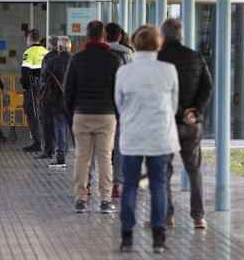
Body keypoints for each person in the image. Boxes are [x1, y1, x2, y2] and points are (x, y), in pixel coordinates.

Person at [115, 25, 180, 254]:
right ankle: (159, 238)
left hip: (132, 135)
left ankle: (127, 237)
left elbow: (119, 104)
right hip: (159, 135)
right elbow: (173, 106)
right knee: (158, 185)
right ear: (158, 44)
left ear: (133, 43)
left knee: (130, 184)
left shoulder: (124, 72)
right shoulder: (169, 70)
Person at [158, 19, 213, 229]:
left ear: (163, 36)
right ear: (181, 35)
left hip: (166, 123)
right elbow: (208, 87)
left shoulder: (159, 59)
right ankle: (199, 217)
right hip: (191, 125)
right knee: (194, 169)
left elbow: (163, 93)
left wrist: (180, 112)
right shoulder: (195, 57)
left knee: (163, 170)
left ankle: (167, 215)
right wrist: (195, 111)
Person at [65, 21, 120, 214]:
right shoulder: (113, 60)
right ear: (103, 36)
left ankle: (81, 199)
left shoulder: (77, 59)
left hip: (82, 113)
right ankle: (105, 200)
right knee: (105, 158)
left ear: (87, 36)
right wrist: (116, 112)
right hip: (106, 114)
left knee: (82, 157)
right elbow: (118, 90)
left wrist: (72, 111)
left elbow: (68, 89)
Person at [105, 23, 134, 198]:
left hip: (104, 104)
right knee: (119, 144)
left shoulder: (100, 53)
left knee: (101, 147)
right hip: (123, 105)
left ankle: (95, 183)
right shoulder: (128, 54)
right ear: (120, 36)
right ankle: (118, 183)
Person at [40, 36, 73, 167]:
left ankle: (61, 156)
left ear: (59, 48)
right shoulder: (75, 60)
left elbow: (44, 80)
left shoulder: (51, 61)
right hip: (73, 100)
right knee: (74, 128)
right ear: (70, 47)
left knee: (59, 126)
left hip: (57, 99)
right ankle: (81, 154)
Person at [21, 29, 48, 152]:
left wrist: (25, 86)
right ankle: (46, 141)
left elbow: (25, 72)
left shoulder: (29, 52)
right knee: (43, 114)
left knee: (32, 113)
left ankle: (37, 142)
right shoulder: (45, 51)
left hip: (32, 88)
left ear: (30, 38)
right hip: (45, 88)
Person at [36, 35, 60, 159]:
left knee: (46, 123)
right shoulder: (65, 57)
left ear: (50, 45)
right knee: (60, 124)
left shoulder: (48, 58)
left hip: (48, 95)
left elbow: (44, 77)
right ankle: (60, 149)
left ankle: (48, 150)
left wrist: (40, 95)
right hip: (61, 96)